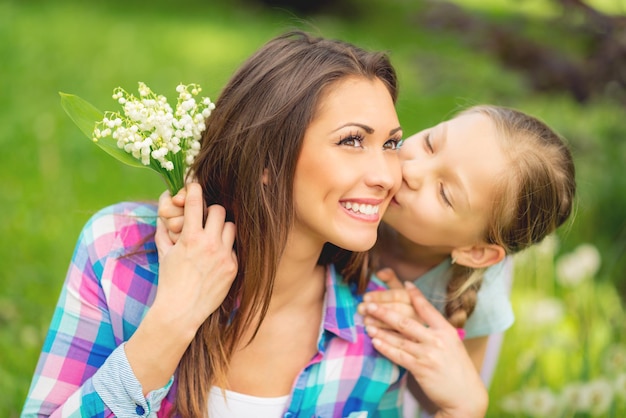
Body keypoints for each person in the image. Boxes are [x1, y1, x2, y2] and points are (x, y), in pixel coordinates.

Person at [23, 31, 422, 418]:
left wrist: (462, 410)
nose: (387, 177)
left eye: (391, 144)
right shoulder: (120, 255)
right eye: (352, 140)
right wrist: (172, 320)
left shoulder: (373, 329)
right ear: (266, 160)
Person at [159, 103, 576, 417]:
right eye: (430, 143)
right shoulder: (352, 198)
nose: (411, 170)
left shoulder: (480, 297)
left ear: (476, 252)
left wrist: (421, 348)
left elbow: (448, 394)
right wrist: (195, 200)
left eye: (445, 193)